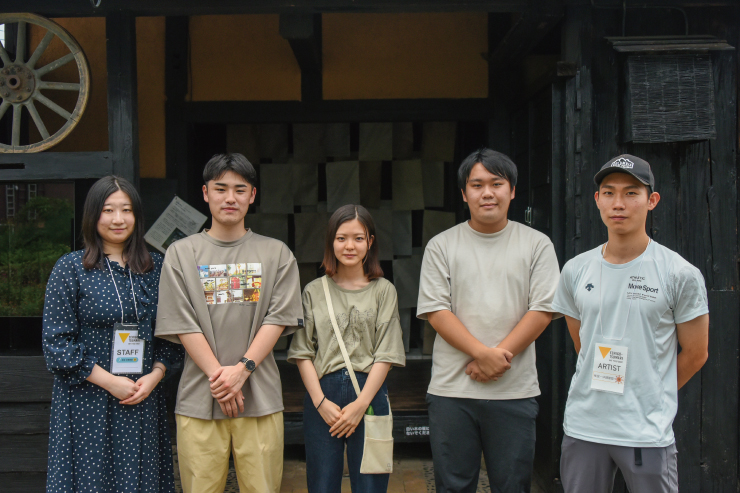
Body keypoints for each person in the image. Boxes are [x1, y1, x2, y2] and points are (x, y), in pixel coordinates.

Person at [552, 154, 709, 493]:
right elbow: (583, 346)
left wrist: (651, 390)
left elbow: (697, 353)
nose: (618, 203)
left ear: (652, 200)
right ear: (597, 200)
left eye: (631, 193)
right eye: (609, 193)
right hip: (584, 427)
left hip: (645, 431)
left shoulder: (679, 273)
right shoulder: (576, 270)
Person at [154, 153, 303, 493]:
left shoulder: (276, 253)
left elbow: (277, 319)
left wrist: (242, 370)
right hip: (198, 398)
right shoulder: (181, 253)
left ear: (252, 195)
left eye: (240, 189)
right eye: (221, 189)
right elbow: (181, 321)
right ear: (205, 193)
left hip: (260, 398)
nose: (230, 198)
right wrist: (220, 379)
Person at [417, 148, 561, 492]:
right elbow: (437, 310)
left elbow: (542, 309)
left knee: (512, 485)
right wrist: (482, 354)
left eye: (497, 183)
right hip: (452, 390)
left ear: (512, 190)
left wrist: (497, 358)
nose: (487, 193)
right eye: (477, 184)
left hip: (514, 391)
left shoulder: (537, 245)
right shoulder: (442, 245)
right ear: (464, 194)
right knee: (453, 485)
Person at [42, 176, 183, 493]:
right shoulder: (71, 269)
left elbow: (172, 338)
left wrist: (155, 376)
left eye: (126, 210)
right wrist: (110, 381)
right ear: (93, 215)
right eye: (108, 210)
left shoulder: (157, 268)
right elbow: (57, 345)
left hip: (141, 398)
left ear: (137, 216)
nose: (118, 219)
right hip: (87, 400)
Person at [288, 204, 406, 493]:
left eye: (358, 238)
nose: (349, 246)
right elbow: (303, 351)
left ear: (370, 242)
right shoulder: (314, 290)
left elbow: (387, 353)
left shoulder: (383, 290)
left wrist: (361, 404)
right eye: (341, 238)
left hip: (370, 395)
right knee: (322, 483)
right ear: (331, 242)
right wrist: (319, 402)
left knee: (371, 484)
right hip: (322, 395)